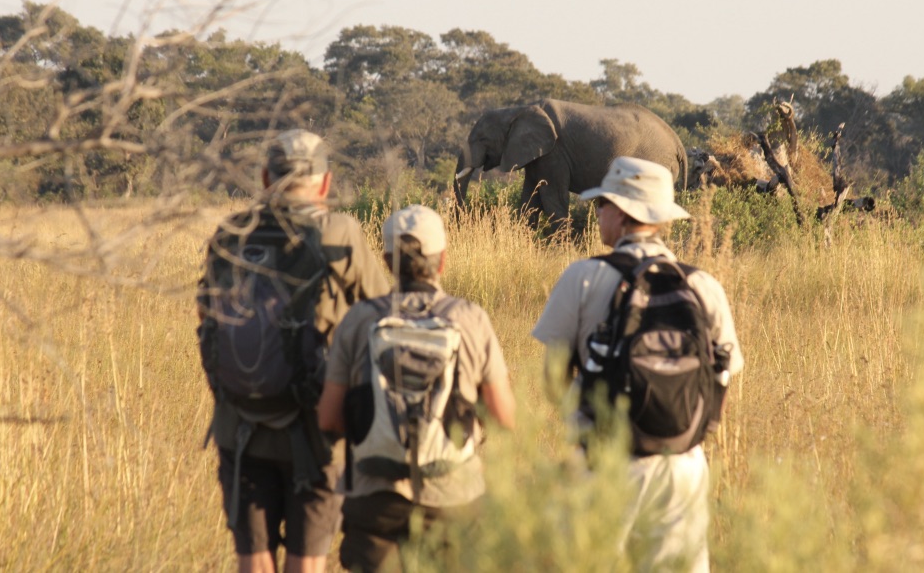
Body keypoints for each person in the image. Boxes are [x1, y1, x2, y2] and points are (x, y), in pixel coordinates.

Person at [530, 156, 744, 572]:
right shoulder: (703, 285)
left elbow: (553, 380)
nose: (598, 213)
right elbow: (721, 381)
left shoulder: (583, 278)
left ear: (623, 213)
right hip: (683, 466)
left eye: (602, 204)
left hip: (604, 461)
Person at [197, 130, 391, 573]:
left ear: (266, 178)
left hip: (239, 424)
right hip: (317, 429)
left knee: (253, 560)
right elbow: (383, 317)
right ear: (325, 183)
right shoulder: (340, 232)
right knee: (307, 562)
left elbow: (206, 322)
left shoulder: (231, 233)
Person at [318, 204, 516, 572]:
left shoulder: (359, 319)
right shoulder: (470, 318)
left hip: (375, 497)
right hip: (453, 496)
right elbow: (504, 417)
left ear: (386, 261)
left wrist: (376, 433)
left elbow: (328, 418)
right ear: (442, 261)